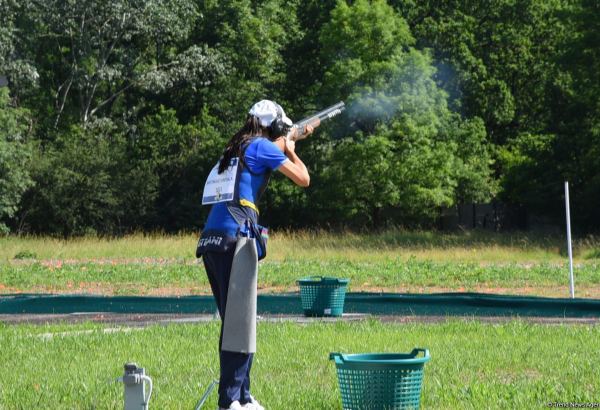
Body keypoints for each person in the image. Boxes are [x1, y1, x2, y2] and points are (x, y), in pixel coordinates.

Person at [197, 100, 314, 410]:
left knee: (237, 320)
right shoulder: (263, 147)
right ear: (273, 126)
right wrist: (290, 147)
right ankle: (231, 400)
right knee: (240, 321)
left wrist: (287, 141)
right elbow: (303, 179)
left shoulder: (236, 147)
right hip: (237, 239)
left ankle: (243, 396)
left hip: (214, 239)